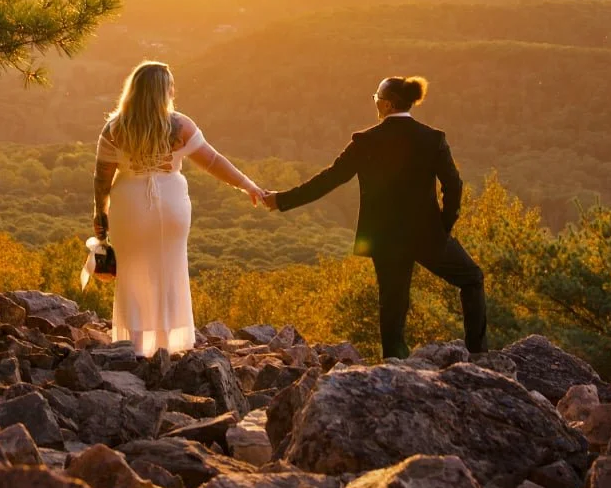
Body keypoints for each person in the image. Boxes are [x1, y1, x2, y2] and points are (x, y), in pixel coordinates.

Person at [262, 75, 483, 359]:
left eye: (376, 98)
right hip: (427, 234)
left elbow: (329, 179)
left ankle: (394, 363)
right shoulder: (432, 138)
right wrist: (443, 227)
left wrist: (281, 200)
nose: (375, 102)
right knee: (472, 279)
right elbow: (454, 186)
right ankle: (478, 354)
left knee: (392, 301)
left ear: (388, 105)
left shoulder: (365, 141)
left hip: (384, 237)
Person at [93, 61, 264, 356]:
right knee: (170, 272)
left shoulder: (114, 128)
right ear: (164, 92)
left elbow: (102, 179)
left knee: (132, 276)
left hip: (130, 207)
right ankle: (168, 348)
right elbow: (213, 162)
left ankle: (133, 348)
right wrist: (248, 185)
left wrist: (100, 219)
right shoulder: (180, 126)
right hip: (171, 206)